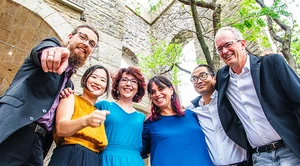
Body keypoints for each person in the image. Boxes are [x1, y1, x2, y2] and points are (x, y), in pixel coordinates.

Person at [0, 24, 99, 165]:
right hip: (16, 129)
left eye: (91, 43)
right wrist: (52, 52)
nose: (86, 43)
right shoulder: (51, 47)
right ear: (70, 37)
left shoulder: (68, 86)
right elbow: (44, 50)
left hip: (39, 144)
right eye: (82, 37)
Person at [214, 26, 300, 165]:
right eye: (219, 49)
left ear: (242, 43)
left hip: (290, 149)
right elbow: (206, 92)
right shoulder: (222, 78)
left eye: (228, 44)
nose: (224, 51)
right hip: (260, 157)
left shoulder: (270, 64)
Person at [142, 75, 213, 166]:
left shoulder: (192, 115)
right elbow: (137, 151)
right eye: (153, 92)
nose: (157, 94)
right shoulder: (150, 123)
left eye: (161, 88)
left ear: (171, 89)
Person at [186, 64, 248, 166]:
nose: (199, 81)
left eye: (203, 75)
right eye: (194, 79)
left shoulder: (230, 100)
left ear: (214, 78)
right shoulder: (195, 111)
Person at [48, 65, 110, 165]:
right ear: (84, 79)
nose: (97, 82)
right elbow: (60, 129)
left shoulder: (98, 112)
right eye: (94, 77)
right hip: (70, 153)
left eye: (103, 80)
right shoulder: (70, 98)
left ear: (106, 88)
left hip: (93, 159)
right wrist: (86, 121)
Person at [95, 66, 147, 166]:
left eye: (134, 81)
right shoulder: (103, 106)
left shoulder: (142, 118)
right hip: (107, 160)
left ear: (138, 88)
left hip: (135, 162)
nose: (128, 84)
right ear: (117, 85)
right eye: (124, 80)